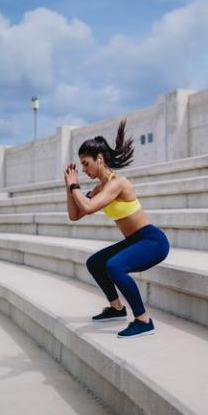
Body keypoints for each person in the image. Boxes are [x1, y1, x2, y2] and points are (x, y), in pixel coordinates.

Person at [63, 119, 170, 338]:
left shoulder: (117, 183)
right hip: (134, 241)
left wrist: (75, 186)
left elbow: (89, 207)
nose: (83, 169)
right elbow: (75, 215)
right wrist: (69, 188)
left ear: (99, 159)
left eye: (86, 163)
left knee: (115, 266)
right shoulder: (99, 188)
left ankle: (143, 320)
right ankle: (117, 308)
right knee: (95, 263)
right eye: (81, 165)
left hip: (152, 241)